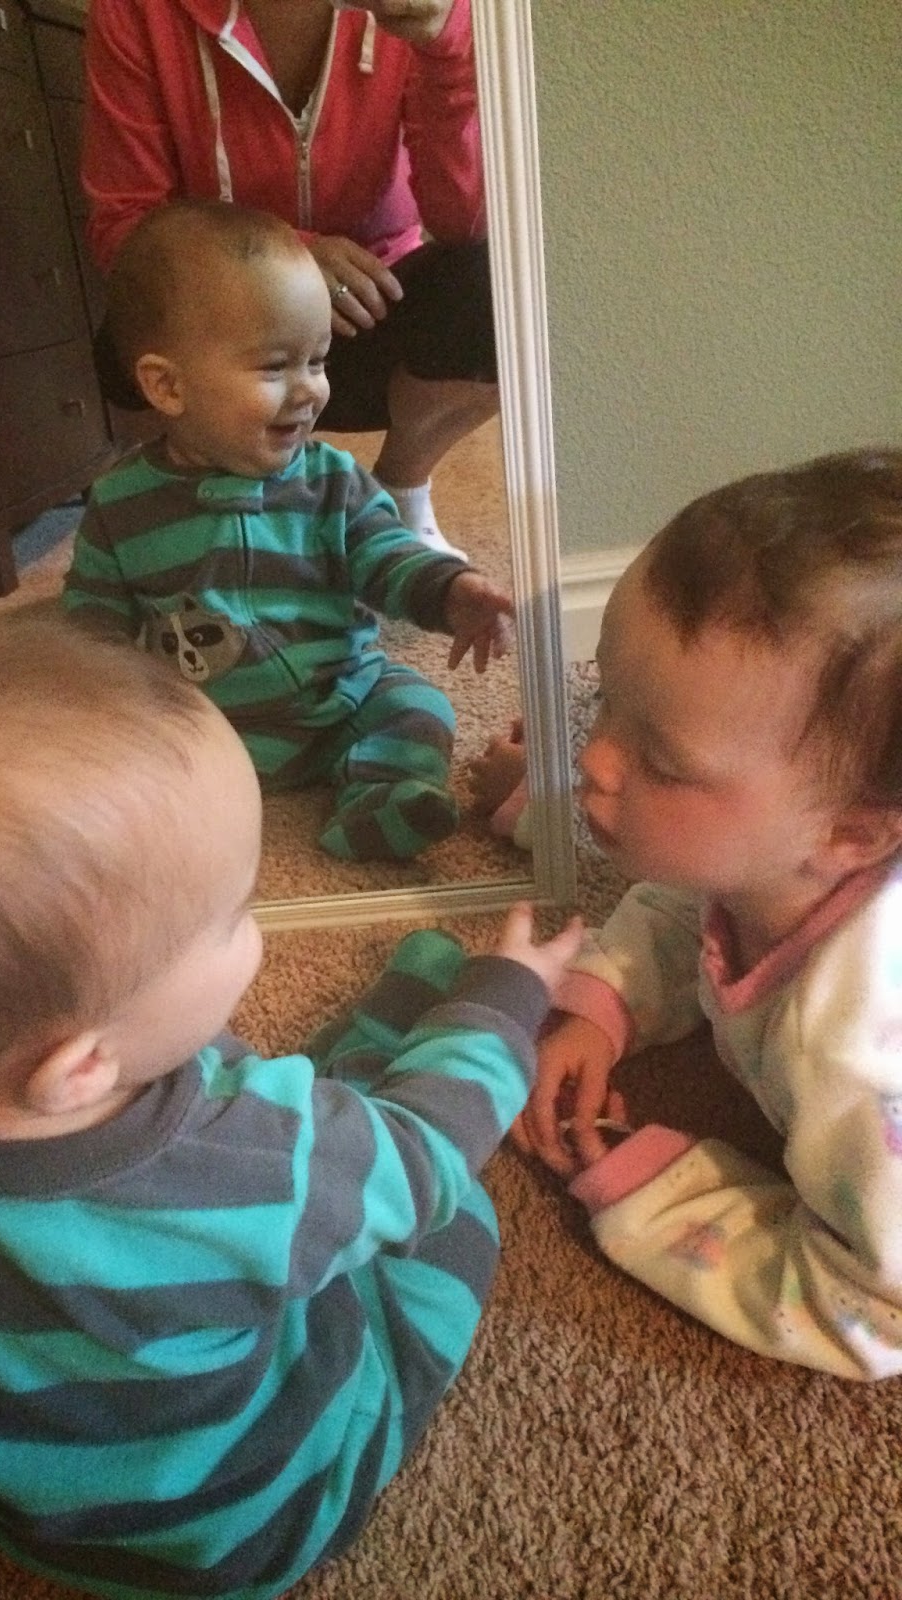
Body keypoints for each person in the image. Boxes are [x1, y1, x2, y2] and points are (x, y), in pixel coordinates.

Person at [0, 619, 583, 1600]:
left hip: (40, 1523)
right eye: (233, 915)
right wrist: (506, 996)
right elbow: (426, 1156)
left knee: (312, 1160)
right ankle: (408, 1056)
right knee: (455, 1217)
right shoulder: (238, 1164)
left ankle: (362, 1081)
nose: (256, 925)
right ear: (82, 1067)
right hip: (263, 1521)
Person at [504, 448, 902, 1380]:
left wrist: (664, 1192)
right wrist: (602, 1006)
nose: (595, 760)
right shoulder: (769, 861)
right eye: (605, 699)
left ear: (849, 835)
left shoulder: (855, 1059)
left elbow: (873, 1309)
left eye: (664, 763)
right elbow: (691, 902)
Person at [63, 198, 514, 863]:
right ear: (167, 387)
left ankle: (382, 798)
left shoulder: (333, 480)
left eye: (318, 361)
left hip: (342, 694)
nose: (309, 391)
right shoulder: (119, 504)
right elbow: (93, 621)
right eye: (276, 368)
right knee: (125, 766)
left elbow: (388, 555)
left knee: (419, 706)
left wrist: (451, 591)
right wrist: (102, 705)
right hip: (209, 723)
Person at [81, 0, 499, 556]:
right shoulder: (135, 11)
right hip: (226, 299)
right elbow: (125, 223)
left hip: (372, 292)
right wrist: (288, 255)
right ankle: (219, 501)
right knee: (126, 342)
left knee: (497, 291)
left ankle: (400, 489)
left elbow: (463, 224)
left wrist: (446, 47)